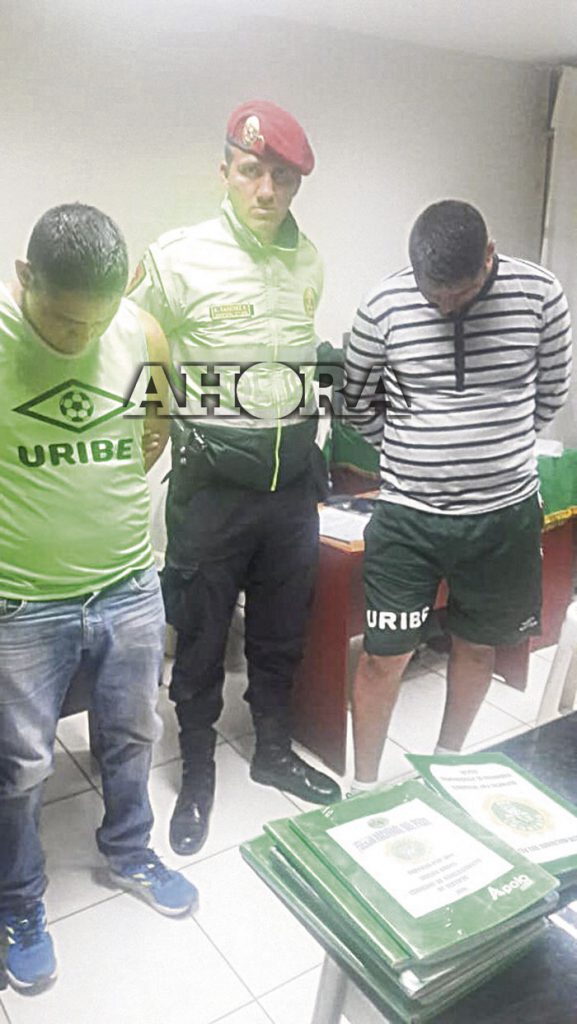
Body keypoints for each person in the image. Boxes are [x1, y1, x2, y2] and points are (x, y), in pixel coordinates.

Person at [129, 99, 341, 857]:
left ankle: (273, 750)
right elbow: (127, 340)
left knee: (281, 631)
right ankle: (196, 771)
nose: (267, 190)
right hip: (212, 487)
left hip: (291, 486)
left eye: (283, 177)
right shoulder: (177, 257)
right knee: (200, 639)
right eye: (252, 171)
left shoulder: (308, 258)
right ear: (225, 170)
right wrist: (149, 426)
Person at [0, 204, 198, 994]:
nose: (80, 337)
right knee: (21, 765)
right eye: (62, 319)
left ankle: (129, 851)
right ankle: (19, 901)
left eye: (96, 319)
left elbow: (152, 434)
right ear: (25, 279)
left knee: (133, 733)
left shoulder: (142, 333)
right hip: (22, 600)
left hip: (128, 583)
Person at [345, 199, 572, 792]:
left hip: (502, 516)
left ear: (489, 256)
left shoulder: (541, 295)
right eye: (434, 295)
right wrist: (412, 447)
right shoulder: (384, 305)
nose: (446, 306)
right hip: (408, 516)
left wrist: (494, 446)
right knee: (382, 655)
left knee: (476, 647)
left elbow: (551, 391)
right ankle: (361, 787)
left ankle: (446, 768)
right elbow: (356, 401)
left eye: (460, 294)